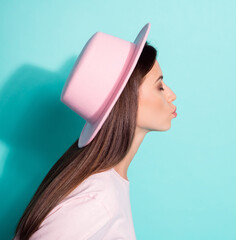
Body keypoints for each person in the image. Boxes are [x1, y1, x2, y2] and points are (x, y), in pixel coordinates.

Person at [13, 23, 177, 240]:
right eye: (160, 86)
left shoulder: (106, 187)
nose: (171, 95)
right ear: (126, 102)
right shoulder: (96, 200)